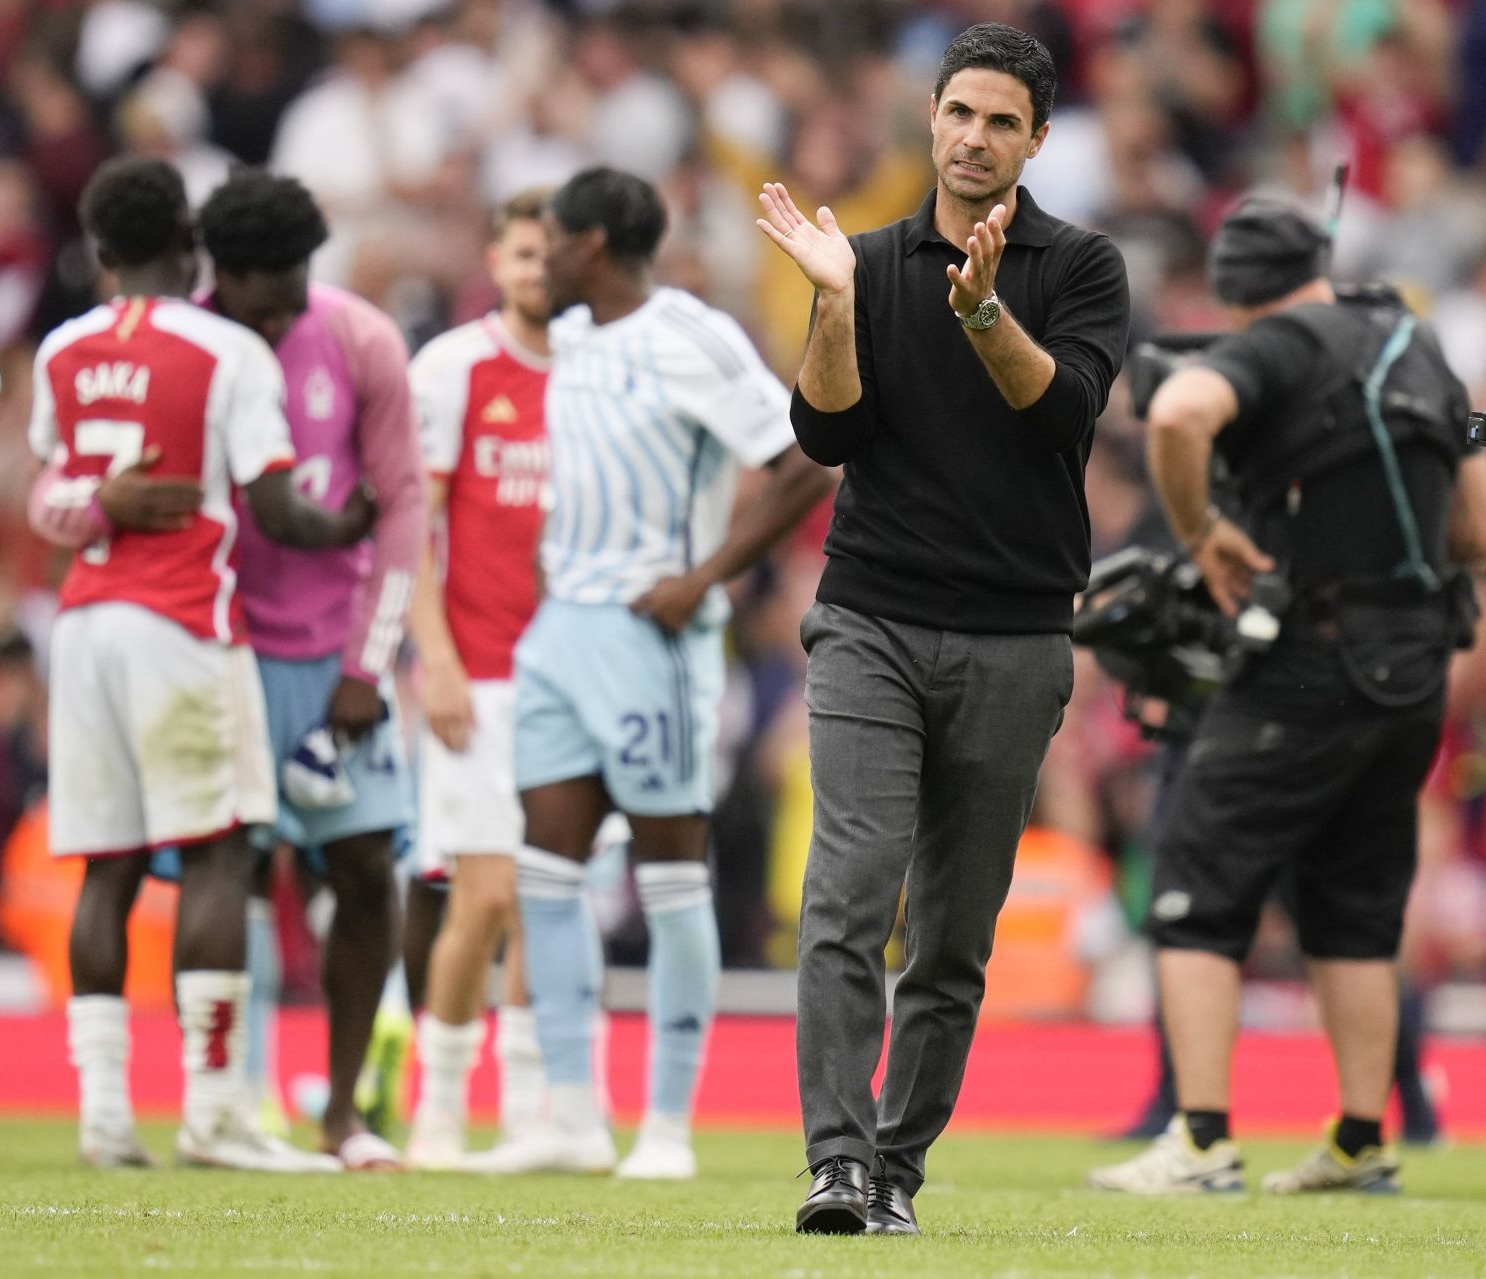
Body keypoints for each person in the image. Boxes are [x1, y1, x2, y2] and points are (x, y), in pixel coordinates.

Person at [758, 22, 1129, 1235]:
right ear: (931, 118)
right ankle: (835, 1161)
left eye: (1002, 121)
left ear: (1036, 141)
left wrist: (980, 315)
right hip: (869, 615)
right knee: (849, 889)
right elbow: (827, 437)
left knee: (954, 934)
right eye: (960, 112)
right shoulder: (859, 261)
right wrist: (832, 300)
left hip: (1018, 638)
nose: (975, 137)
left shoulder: (1080, 268)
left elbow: (1061, 410)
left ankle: (899, 1170)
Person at [1089, 198, 1485, 1196]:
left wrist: (1202, 531)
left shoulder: (1278, 345)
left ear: (1233, 289)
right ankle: (1360, 1140)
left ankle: (1203, 1138)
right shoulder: (1415, 340)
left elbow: (1178, 411)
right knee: (1356, 907)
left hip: (1308, 650)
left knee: (1194, 881)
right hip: (1415, 662)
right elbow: (1476, 524)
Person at [28, 157, 373, 1172]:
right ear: (189, 248)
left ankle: (101, 1116)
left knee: (109, 864)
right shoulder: (227, 352)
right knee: (221, 854)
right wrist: (349, 522)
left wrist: (99, 508)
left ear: (100, 252)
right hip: (185, 619)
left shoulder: (62, 346)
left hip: (83, 622)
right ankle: (216, 1112)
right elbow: (272, 507)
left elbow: (51, 491)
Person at [494, 166, 836, 1180]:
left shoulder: (692, 337)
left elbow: (806, 461)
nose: (537, 256)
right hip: (563, 628)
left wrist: (702, 578)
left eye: (550, 238)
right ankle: (567, 1114)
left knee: (670, 871)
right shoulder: (572, 337)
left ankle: (668, 1128)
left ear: (592, 243)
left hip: (654, 638)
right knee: (546, 870)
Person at [195, 168, 426, 1171]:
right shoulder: (191, 343)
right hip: (224, 644)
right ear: (220, 272)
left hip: (335, 649)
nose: (285, 303)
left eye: (298, 279)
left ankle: (341, 1111)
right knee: (233, 872)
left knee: (369, 873)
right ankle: (234, 1102)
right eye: (265, 287)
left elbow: (405, 505)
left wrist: (370, 661)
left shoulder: (360, 337)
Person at [402, 189, 554, 1172]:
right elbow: (413, 527)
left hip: (573, 679)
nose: (540, 269)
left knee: (551, 902)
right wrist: (436, 658)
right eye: (524, 252)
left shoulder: (598, 372)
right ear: (494, 260)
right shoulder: (454, 368)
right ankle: (441, 1105)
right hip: (481, 671)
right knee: (485, 895)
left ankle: (533, 1112)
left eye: (554, 254)